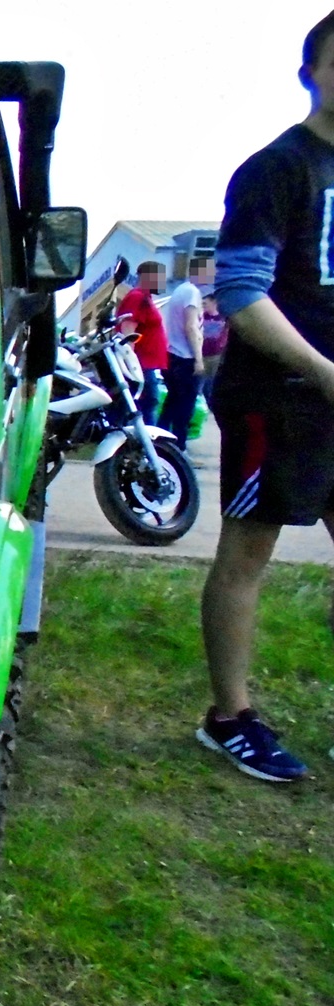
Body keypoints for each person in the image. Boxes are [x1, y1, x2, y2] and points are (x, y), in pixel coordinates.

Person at [195, 10, 334, 782]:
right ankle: (229, 716)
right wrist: (319, 369)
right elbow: (243, 292)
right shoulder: (278, 168)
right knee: (248, 554)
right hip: (278, 394)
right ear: (310, 70)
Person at [157, 256, 212, 448]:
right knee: (184, 407)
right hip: (184, 357)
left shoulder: (180, 290)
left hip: (171, 355)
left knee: (172, 403)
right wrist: (198, 358)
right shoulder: (191, 293)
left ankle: (161, 443)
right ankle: (178, 446)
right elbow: (191, 327)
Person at [116, 260, 169, 422]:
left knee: (147, 402)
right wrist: (130, 365)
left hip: (146, 364)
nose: (162, 281)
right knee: (148, 403)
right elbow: (128, 331)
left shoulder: (146, 298)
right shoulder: (137, 297)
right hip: (140, 364)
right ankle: (146, 443)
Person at [199, 291, 228, 401]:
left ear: (214, 302)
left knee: (211, 383)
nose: (203, 306)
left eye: (205, 303)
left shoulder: (224, 317)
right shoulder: (202, 316)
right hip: (202, 354)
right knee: (202, 383)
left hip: (216, 355)